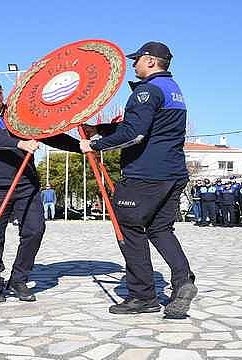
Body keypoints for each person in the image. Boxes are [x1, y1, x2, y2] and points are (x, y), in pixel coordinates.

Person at [80, 41, 197, 318]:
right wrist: (101, 128)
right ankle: (183, 282)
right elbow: (149, 125)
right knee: (160, 230)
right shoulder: (172, 89)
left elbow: (136, 134)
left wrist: (95, 145)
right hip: (173, 173)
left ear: (151, 61)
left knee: (129, 231)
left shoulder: (146, 91)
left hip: (145, 175)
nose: (133, 65)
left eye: (137, 60)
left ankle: (143, 296)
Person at [0, 76, 82, 304]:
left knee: (35, 230)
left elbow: (48, 133)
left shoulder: (17, 114)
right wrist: (18, 143)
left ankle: (19, 278)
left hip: (25, 183)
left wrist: (78, 146)